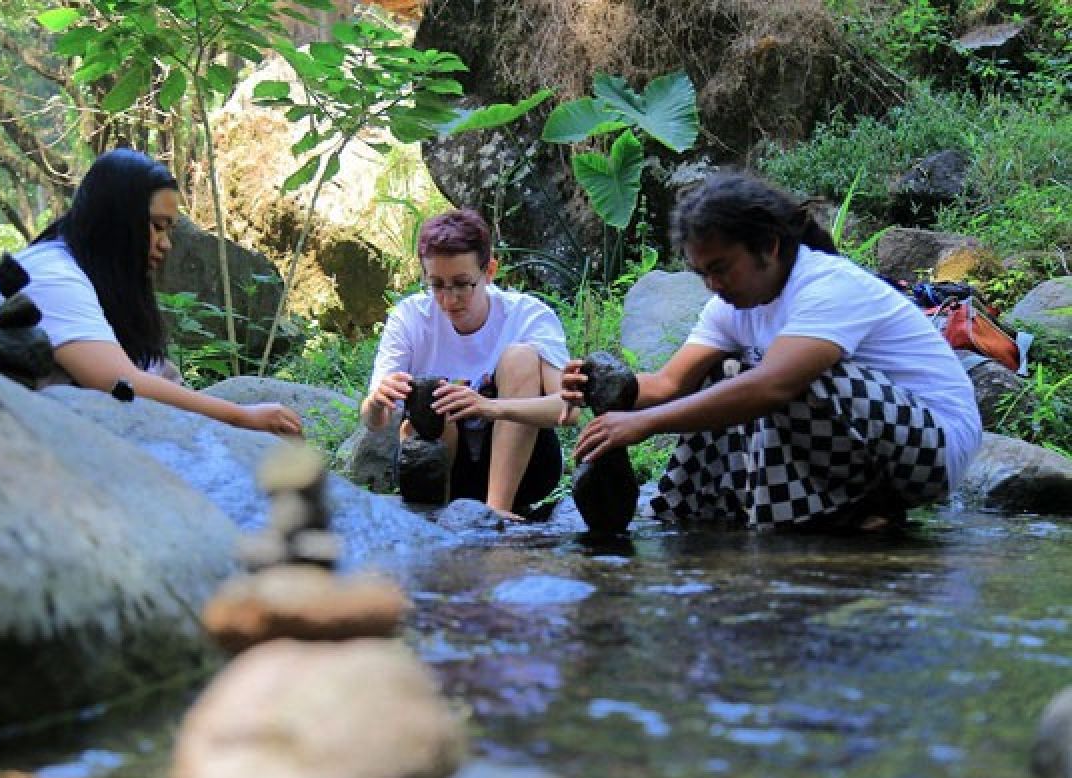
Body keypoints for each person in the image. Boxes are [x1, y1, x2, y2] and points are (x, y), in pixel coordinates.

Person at [561, 172, 982, 531]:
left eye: (721, 268)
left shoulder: (827, 285)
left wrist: (645, 425)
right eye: (702, 273)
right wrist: (605, 390)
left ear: (770, 247)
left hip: (932, 450)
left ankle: (844, 512)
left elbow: (774, 386)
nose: (712, 284)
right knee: (724, 373)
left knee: (779, 379)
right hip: (867, 442)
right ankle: (710, 517)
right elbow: (670, 383)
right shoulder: (728, 309)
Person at [0, 148, 302, 436]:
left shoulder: (92, 280)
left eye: (169, 230)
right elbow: (118, 383)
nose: (167, 244)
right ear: (116, 223)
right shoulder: (53, 275)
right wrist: (240, 416)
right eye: (157, 227)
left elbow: (154, 377)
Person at [360, 208, 575, 519]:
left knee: (520, 358)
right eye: (437, 285)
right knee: (434, 397)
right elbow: (373, 420)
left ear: (489, 271)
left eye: (462, 284)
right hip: (440, 470)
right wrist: (378, 403)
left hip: (527, 468)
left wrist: (489, 407)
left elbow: (568, 409)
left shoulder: (527, 315)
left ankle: (497, 511)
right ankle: (441, 516)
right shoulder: (409, 319)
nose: (449, 299)